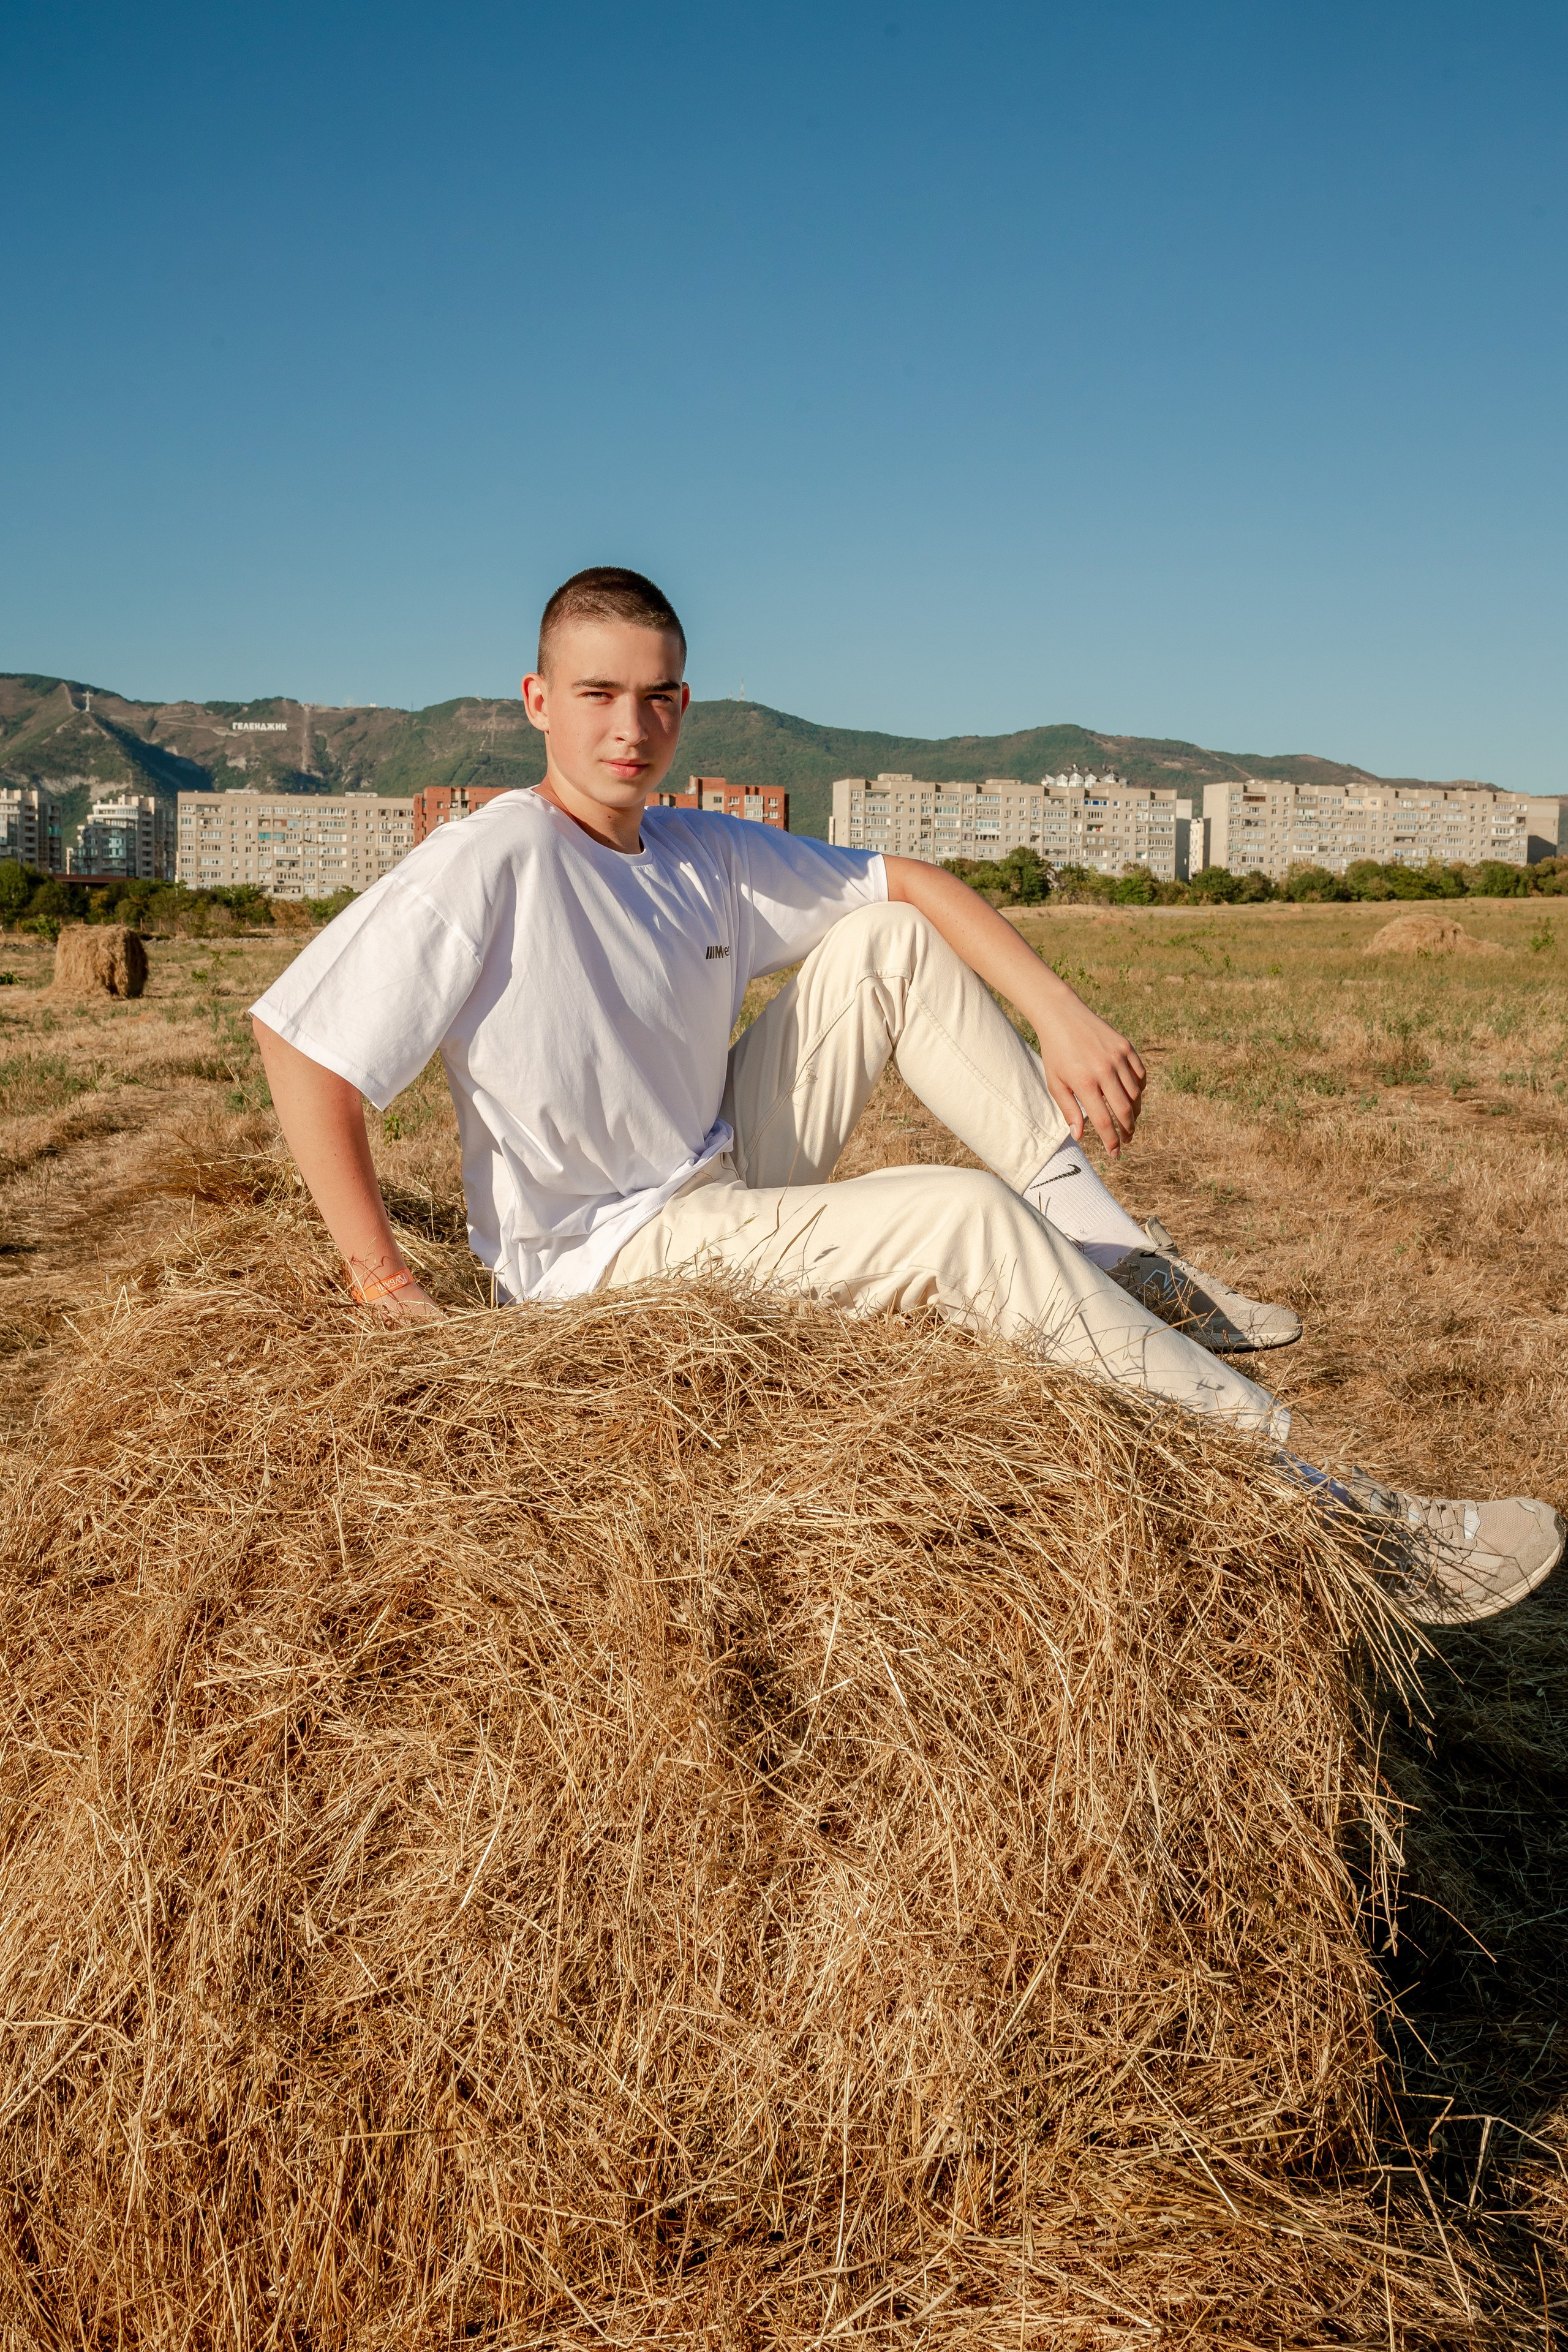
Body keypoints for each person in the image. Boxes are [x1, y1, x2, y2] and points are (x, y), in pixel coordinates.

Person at [251, 568, 1562, 1626]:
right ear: (537, 700)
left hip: (712, 1177)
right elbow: (301, 1046)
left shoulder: (695, 846)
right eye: (596, 695)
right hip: (599, 1267)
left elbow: (912, 886)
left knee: (885, 939)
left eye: (655, 699)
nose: (627, 730)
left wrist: (1059, 1016)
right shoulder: (489, 857)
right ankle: (1337, 1519)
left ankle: (1101, 1241)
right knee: (956, 1217)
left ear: (684, 706)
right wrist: (384, 1287)